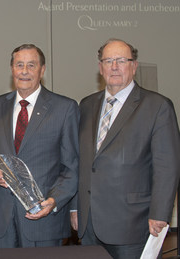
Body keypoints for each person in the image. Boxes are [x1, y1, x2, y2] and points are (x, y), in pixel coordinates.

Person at [71, 38, 180, 259]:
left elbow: (167, 166)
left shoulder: (157, 106)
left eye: (121, 60)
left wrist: (160, 213)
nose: (114, 66)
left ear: (134, 66)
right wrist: (76, 208)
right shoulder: (86, 105)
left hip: (134, 223)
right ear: (100, 68)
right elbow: (79, 161)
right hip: (90, 223)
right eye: (108, 60)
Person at [0, 44, 79, 248]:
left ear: (42, 70)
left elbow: (72, 166)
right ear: (12, 69)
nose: (24, 71)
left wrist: (54, 201)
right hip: (2, 222)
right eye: (19, 65)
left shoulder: (65, 108)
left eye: (31, 65)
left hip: (43, 220)